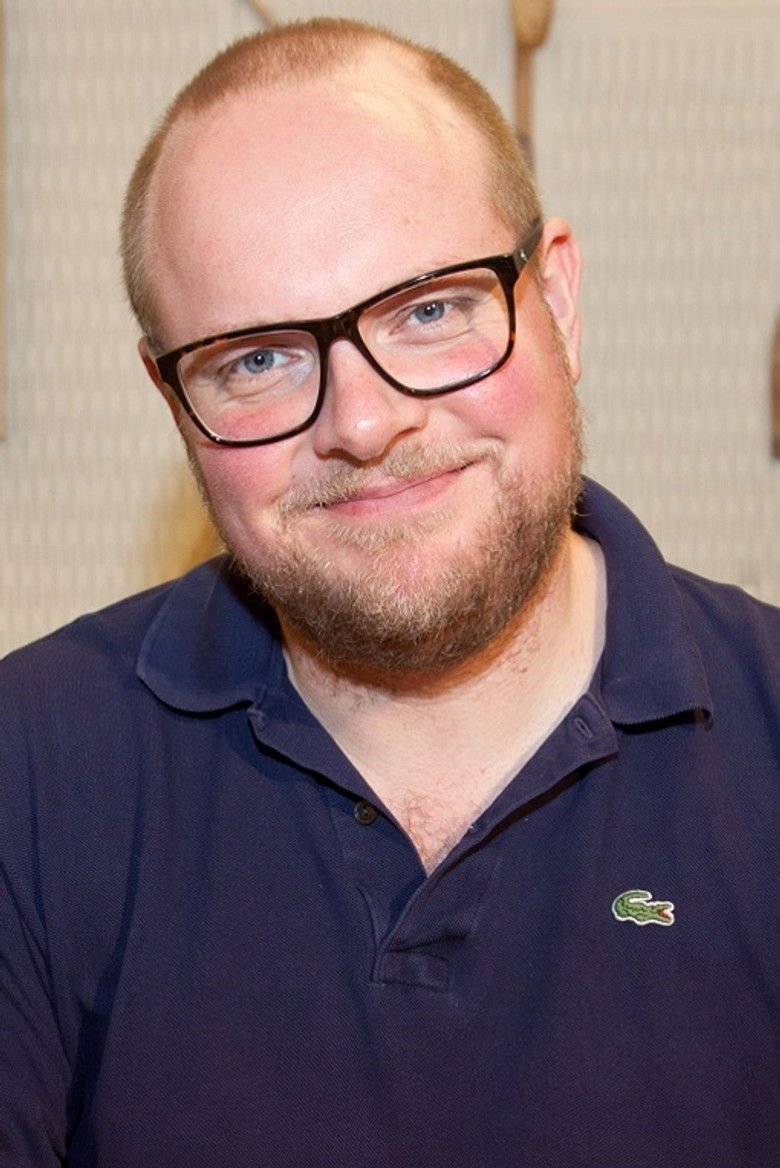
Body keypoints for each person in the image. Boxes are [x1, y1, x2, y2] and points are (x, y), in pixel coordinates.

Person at [1, 16, 779, 1167]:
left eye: (429, 309)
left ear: (558, 303)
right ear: (174, 402)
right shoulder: (27, 766)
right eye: (257, 358)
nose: (363, 425)